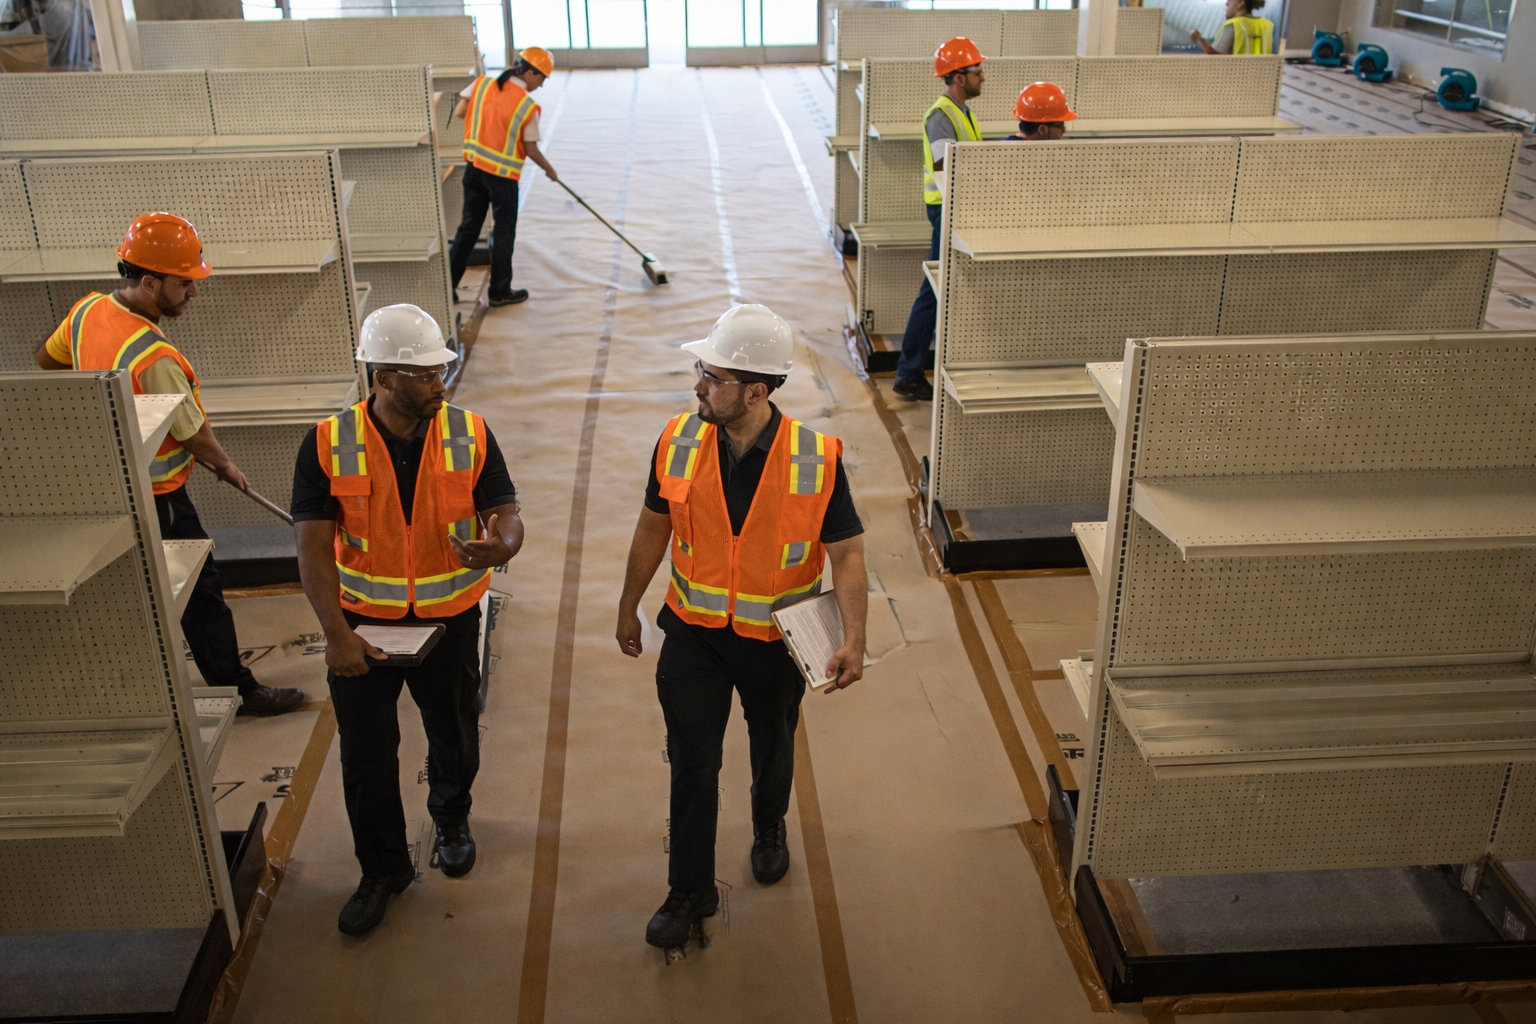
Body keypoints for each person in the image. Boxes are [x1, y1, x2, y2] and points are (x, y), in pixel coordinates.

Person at [615, 304, 868, 952]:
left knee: (772, 745)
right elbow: (653, 526)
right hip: (695, 635)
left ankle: (768, 827)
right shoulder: (677, 441)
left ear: (756, 391)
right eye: (701, 371)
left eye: (713, 376)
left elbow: (847, 552)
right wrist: (628, 604)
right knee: (692, 763)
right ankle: (689, 890)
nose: (698, 385)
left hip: (774, 643)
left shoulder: (814, 458)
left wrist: (854, 636)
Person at [290, 303, 524, 937]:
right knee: (367, 754)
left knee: (453, 728)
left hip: (447, 620)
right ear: (384, 377)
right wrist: (336, 635)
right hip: (362, 629)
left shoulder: (469, 432)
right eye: (423, 375)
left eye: (439, 372)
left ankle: (451, 818)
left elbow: (505, 511)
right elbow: (312, 549)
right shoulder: (327, 443)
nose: (439, 384)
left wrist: (504, 543)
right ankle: (383, 868)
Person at [34, 212, 304, 717]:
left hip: (104, 490)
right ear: (150, 281)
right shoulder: (152, 354)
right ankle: (239, 690)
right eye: (184, 283)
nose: (192, 293)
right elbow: (193, 434)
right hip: (158, 500)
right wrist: (226, 466)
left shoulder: (87, 311)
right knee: (200, 598)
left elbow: (49, 364)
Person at [893, 37, 986, 402]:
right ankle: (908, 372)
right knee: (933, 292)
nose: (983, 77)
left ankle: (910, 370)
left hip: (960, 208)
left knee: (936, 290)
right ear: (959, 77)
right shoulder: (940, 117)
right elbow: (947, 171)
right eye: (978, 72)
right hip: (947, 211)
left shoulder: (962, 113)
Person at [447, 46, 561, 309]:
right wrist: (549, 169)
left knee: (468, 228)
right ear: (531, 72)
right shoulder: (525, 106)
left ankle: (449, 285)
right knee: (503, 232)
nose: (541, 85)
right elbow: (530, 149)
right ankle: (499, 292)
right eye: (542, 78)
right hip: (502, 179)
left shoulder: (482, 84)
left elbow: (461, 113)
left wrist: (487, 121)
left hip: (474, 169)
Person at [1191, 0, 1275, 54]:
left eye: (1229, 1)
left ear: (1240, 3)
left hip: (1235, 79)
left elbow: (1215, 56)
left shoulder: (1232, 25)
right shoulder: (1267, 25)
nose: (1226, 3)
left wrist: (1199, 38)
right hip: (1262, 79)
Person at [1006, 82, 1077, 141]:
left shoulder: (1006, 150)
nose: (1064, 130)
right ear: (1042, 129)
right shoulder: (1011, 154)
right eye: (1060, 125)